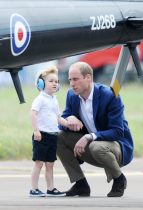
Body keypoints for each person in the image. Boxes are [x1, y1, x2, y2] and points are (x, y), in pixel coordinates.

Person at [57, 61, 134, 197]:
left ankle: (119, 179)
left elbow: (117, 132)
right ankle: (81, 185)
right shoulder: (71, 95)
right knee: (58, 136)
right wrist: (69, 120)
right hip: (92, 147)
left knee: (96, 147)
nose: (72, 84)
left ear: (88, 78)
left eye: (75, 79)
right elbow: (61, 124)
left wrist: (89, 136)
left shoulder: (110, 96)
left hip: (116, 148)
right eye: (70, 80)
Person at [29, 66, 68, 197]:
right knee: (39, 163)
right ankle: (33, 189)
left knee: (50, 164)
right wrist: (36, 131)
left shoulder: (54, 99)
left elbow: (57, 117)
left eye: (56, 81)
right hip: (41, 135)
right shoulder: (40, 99)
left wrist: (68, 124)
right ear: (41, 83)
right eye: (51, 81)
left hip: (52, 135)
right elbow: (33, 114)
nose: (54, 83)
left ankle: (50, 189)